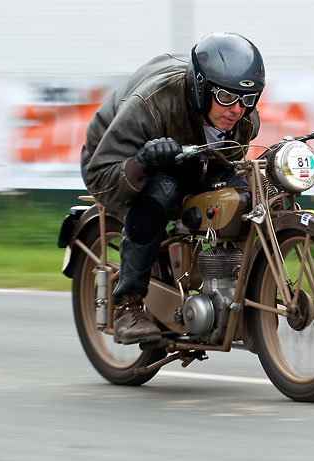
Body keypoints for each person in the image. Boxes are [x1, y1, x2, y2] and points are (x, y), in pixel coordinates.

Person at [80, 31, 265, 345]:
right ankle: (128, 307)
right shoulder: (152, 104)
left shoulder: (245, 121)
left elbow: (224, 166)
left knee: (249, 194)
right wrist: (142, 161)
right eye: (225, 97)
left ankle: (240, 295)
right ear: (200, 88)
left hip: (193, 160)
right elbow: (99, 174)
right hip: (116, 158)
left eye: (247, 99)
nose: (236, 109)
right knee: (163, 191)